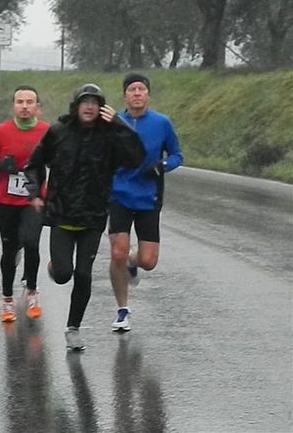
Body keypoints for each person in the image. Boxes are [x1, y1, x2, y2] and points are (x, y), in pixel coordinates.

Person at [24, 83, 145, 351]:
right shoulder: (58, 132)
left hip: (93, 216)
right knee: (65, 273)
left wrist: (119, 124)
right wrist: (35, 193)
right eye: (85, 102)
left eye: (95, 102)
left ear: (101, 108)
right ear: (76, 105)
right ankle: (56, 266)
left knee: (84, 274)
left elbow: (136, 157)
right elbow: (33, 164)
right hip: (61, 214)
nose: (89, 107)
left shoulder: (110, 136)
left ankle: (73, 328)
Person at [108, 73, 184, 332]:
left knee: (148, 261)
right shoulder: (115, 122)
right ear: (125, 95)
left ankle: (133, 262)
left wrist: (162, 165)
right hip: (118, 194)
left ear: (148, 95)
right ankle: (122, 310)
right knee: (116, 251)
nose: (137, 93)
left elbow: (177, 155)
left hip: (148, 197)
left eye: (142, 89)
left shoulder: (161, 123)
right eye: (132, 89)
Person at [0, 85, 49, 322]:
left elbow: (60, 162)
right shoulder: (1, 132)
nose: (25, 107)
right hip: (6, 200)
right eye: (20, 102)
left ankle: (31, 292)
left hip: (33, 199)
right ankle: (7, 299)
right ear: (14, 106)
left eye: (30, 102)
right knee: (9, 249)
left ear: (37, 107)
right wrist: (1, 166)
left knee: (31, 243)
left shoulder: (47, 132)